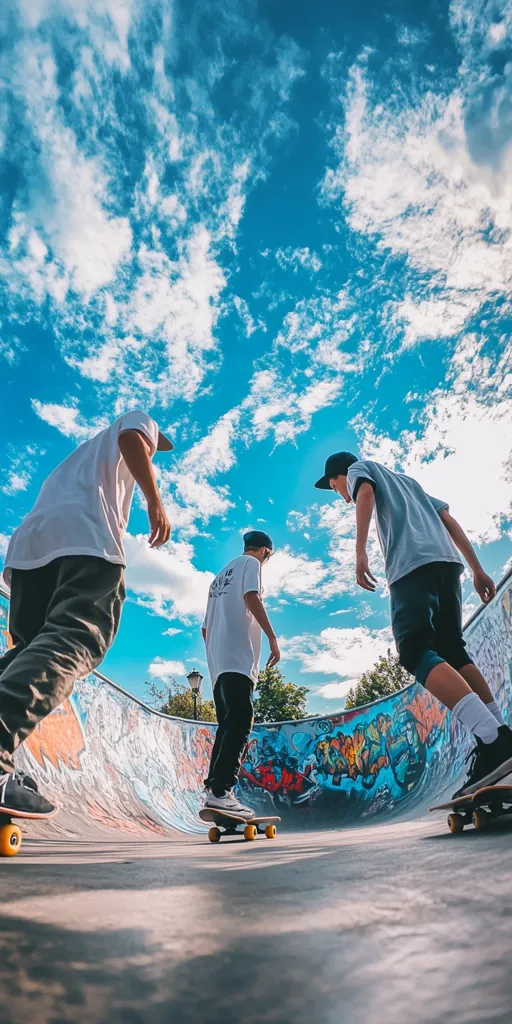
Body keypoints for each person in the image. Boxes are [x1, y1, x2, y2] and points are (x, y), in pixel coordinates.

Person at [0, 411, 173, 817]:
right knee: (77, 638)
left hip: (31, 550)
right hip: (87, 541)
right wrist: (154, 501)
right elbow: (134, 436)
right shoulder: (133, 425)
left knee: (29, 650)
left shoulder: (78, 458)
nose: (152, 454)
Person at [314, 451, 512, 797]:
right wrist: (477, 567)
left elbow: (364, 493)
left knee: (414, 650)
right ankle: (500, 732)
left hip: (412, 568)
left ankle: (490, 737)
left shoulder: (361, 470)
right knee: (452, 650)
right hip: (449, 567)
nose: (340, 496)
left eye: (335, 488)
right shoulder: (411, 484)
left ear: (339, 474)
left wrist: (360, 550)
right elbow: (449, 520)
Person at [202, 530, 280, 815]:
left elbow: (204, 629)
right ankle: (222, 790)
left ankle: (214, 790)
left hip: (218, 664)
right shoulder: (252, 564)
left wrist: (216, 655)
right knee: (241, 721)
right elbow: (251, 596)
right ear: (265, 551)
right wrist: (271, 637)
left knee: (227, 725)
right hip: (238, 658)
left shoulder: (216, 580)